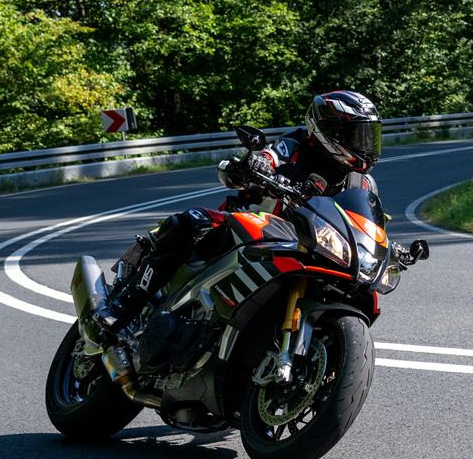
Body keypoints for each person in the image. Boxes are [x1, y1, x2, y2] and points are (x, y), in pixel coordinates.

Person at [95, 91, 384, 337]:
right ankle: (127, 304)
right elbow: (270, 156)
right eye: (356, 135)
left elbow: (367, 223)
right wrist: (256, 163)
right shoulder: (295, 146)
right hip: (260, 228)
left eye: (369, 135)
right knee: (188, 222)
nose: (365, 145)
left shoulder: (363, 183)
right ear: (328, 129)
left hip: (310, 249)